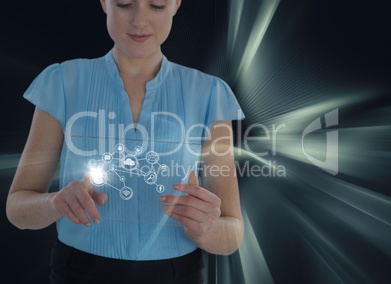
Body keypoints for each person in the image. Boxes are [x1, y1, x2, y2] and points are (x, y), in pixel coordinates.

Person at [6, 0, 245, 283]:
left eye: (156, 5)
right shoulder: (62, 81)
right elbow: (17, 208)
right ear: (104, 3)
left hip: (178, 274)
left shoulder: (210, 94)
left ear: (176, 4)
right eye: (124, 4)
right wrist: (55, 203)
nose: (139, 21)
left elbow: (232, 234)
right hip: (77, 272)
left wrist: (205, 228)